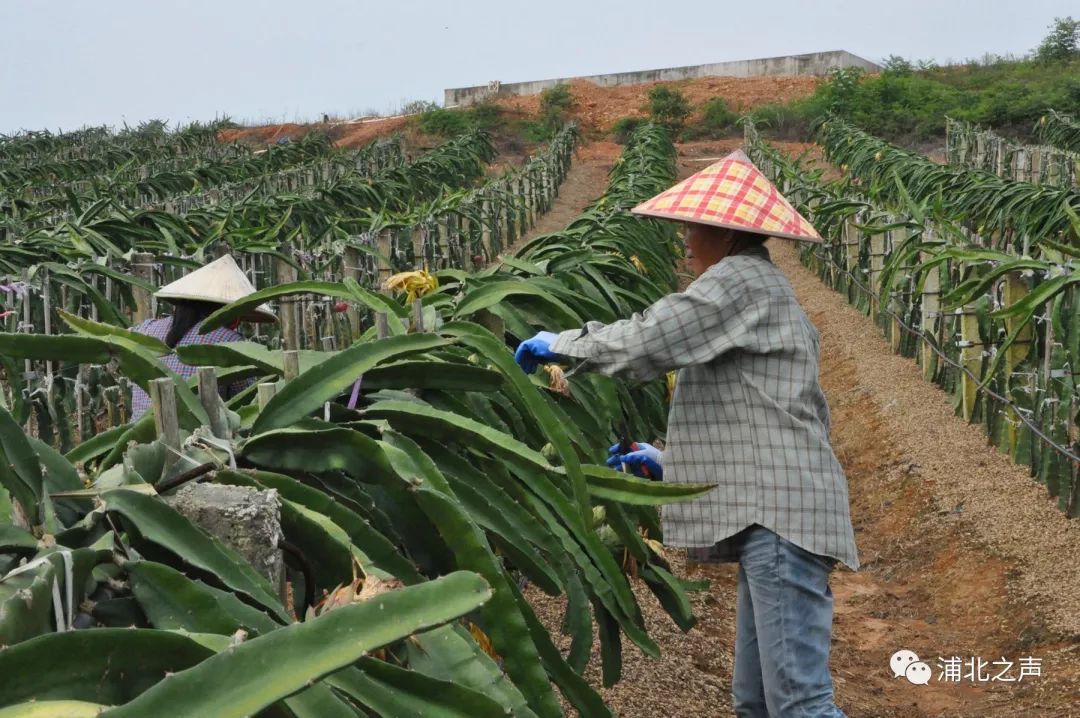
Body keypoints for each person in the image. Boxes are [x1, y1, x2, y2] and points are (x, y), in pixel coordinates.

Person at [515, 150, 857, 718]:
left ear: (723, 233)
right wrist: (670, 464)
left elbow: (648, 340)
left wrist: (564, 343)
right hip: (777, 511)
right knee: (757, 702)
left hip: (780, 518)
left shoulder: (738, 281)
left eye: (692, 227)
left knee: (800, 702)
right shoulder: (761, 290)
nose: (684, 241)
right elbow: (762, 423)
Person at [129, 254, 275, 419]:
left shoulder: (144, 330)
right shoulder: (230, 342)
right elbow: (245, 401)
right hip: (197, 441)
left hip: (137, 437)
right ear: (228, 312)